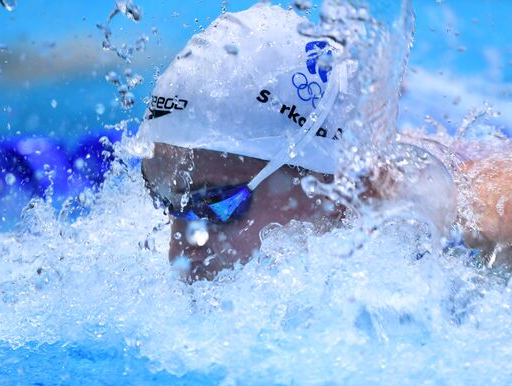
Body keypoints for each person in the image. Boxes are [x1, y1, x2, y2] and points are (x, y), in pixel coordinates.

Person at [139, 4, 511, 281]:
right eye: (164, 201)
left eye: (216, 207)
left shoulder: (483, 222)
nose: (180, 253)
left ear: (333, 186)